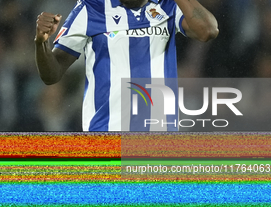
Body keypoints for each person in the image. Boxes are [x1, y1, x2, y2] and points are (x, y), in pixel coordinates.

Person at [35, 0, 219, 131]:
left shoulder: (168, 5)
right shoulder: (90, 8)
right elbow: (52, 74)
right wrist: (41, 42)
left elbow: (208, 30)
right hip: (106, 136)